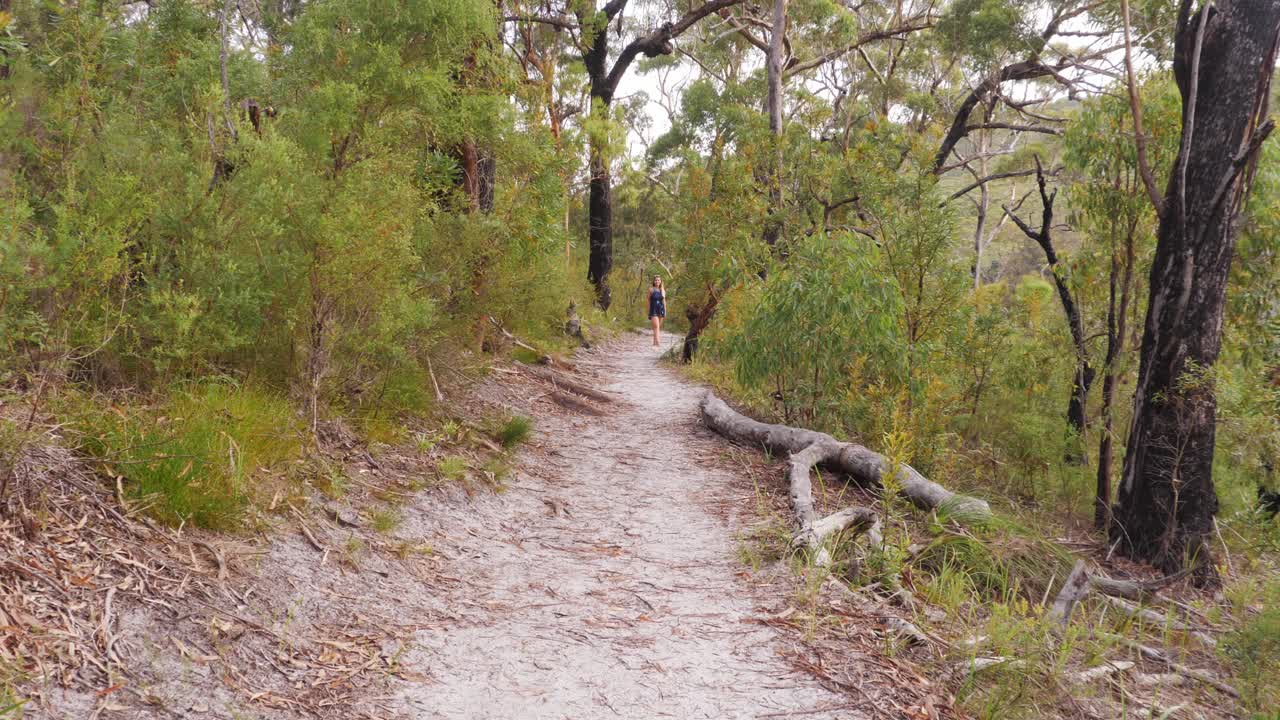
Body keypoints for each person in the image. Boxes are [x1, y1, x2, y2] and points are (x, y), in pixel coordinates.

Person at [647, 276, 666, 347]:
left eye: (658, 280)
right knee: (656, 326)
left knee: (658, 327)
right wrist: (648, 309)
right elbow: (648, 300)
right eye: (656, 280)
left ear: (661, 281)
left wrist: (665, 310)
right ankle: (658, 342)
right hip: (653, 309)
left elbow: (664, 301)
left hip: (661, 309)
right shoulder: (651, 289)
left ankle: (654, 342)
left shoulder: (662, 290)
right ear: (654, 281)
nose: (657, 281)